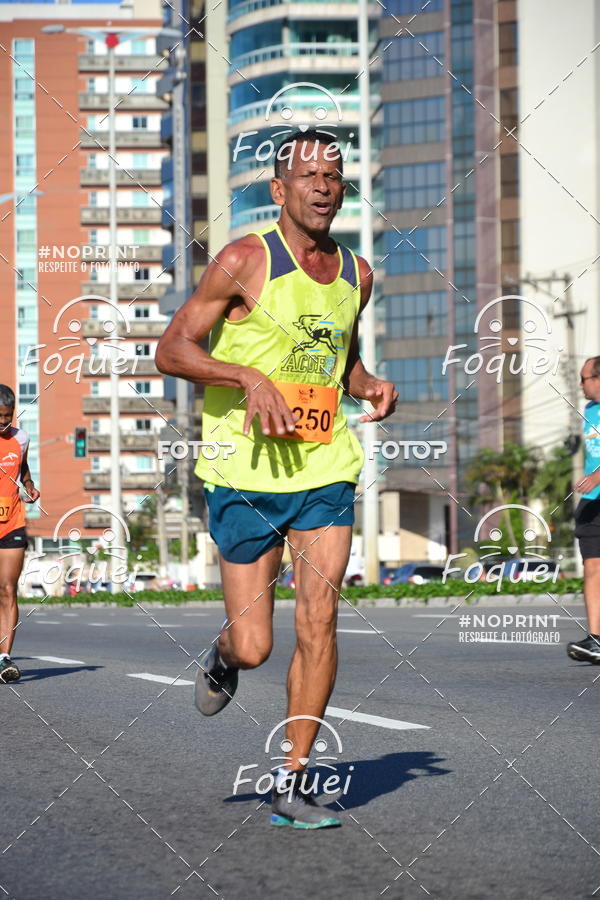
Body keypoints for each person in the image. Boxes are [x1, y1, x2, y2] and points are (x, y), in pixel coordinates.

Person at [156, 129, 397, 828]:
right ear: (280, 189)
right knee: (257, 645)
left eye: (335, 174)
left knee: (319, 621)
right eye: (309, 175)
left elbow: (339, 359)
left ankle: (293, 779)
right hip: (244, 473)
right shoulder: (243, 260)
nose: (324, 186)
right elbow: (172, 348)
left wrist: (368, 383)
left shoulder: (358, 274)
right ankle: (223, 653)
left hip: (324, 470)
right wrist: (245, 374)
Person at [0, 385, 40, 682]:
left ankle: (4, 659)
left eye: (7, 417)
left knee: (7, 589)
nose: (3, 423)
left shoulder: (21, 439)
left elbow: (22, 467)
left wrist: (29, 484)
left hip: (11, 521)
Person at [568, 356, 600, 663]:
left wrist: (597, 477)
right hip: (593, 503)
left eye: (585, 378)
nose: (581, 384)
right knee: (593, 567)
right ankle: (596, 639)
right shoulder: (589, 411)